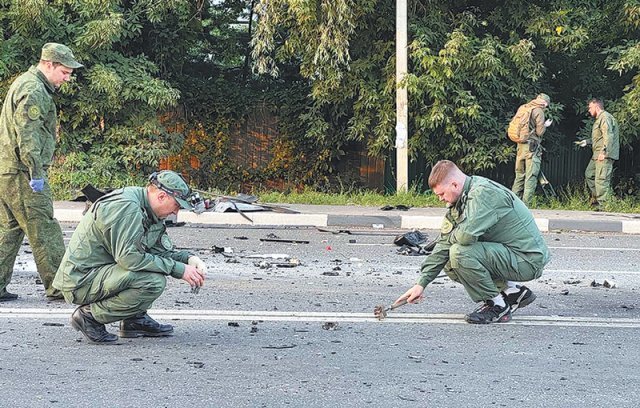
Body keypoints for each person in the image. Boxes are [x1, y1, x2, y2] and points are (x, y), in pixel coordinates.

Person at [53, 170, 207, 344]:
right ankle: (89, 317)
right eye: (177, 205)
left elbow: (157, 251)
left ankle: (134, 320)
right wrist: (178, 270)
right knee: (152, 281)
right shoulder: (128, 208)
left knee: (152, 269)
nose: (176, 212)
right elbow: (129, 258)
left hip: (101, 273)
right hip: (80, 280)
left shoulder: (149, 210)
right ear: (162, 196)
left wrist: (188, 260)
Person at [396, 160, 550, 324]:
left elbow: (464, 237)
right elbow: (443, 244)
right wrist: (421, 284)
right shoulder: (462, 199)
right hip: (510, 254)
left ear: (454, 185)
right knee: (448, 257)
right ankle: (511, 291)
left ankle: (497, 306)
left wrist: (449, 238)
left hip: (527, 260)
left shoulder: (483, 194)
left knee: (459, 252)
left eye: (441, 194)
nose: (440, 199)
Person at [0, 43, 83, 302]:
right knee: (44, 228)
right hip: (23, 172)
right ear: (48, 64)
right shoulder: (34, 89)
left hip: (8, 170)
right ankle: (60, 286)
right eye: (65, 72)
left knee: (9, 230)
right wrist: (36, 172)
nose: (67, 78)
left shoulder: (26, 83)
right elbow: (28, 136)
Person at [511, 93, 553, 206]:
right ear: (544, 103)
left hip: (520, 146)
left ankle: (514, 204)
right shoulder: (538, 111)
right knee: (531, 176)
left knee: (519, 175)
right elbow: (539, 132)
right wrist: (545, 125)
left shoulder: (524, 107)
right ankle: (526, 206)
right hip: (532, 148)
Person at [576, 98, 619, 207]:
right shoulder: (599, 119)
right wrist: (587, 142)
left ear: (596, 106)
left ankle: (604, 206)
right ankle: (597, 200)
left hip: (603, 155)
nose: (589, 110)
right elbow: (600, 137)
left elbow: (608, 136)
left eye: (590, 107)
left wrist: (604, 152)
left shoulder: (605, 117)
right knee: (589, 174)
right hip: (597, 155)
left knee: (601, 179)